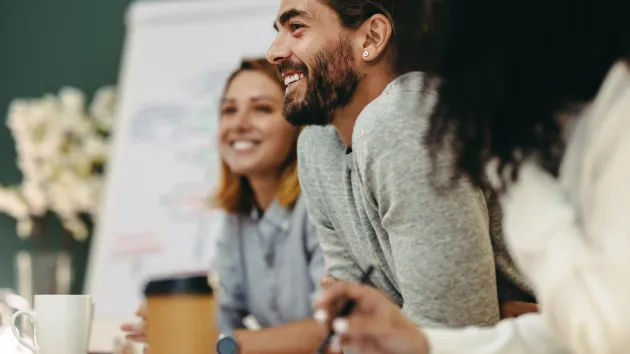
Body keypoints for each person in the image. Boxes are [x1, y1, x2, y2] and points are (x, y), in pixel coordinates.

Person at [313, 0, 630, 353]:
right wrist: (424, 343)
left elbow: (607, 330)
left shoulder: (614, 116)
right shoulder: (557, 123)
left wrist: (516, 171)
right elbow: (579, 331)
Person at [267, 0, 533, 332]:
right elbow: (357, 326)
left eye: (297, 28)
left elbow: (455, 332)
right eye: (278, 32)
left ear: (371, 38)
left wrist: (397, 323)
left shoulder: (404, 117)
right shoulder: (317, 147)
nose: (274, 52)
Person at [121, 58, 328, 354]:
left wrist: (220, 344)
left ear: (298, 125)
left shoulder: (320, 203)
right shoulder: (240, 217)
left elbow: (332, 328)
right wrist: (179, 322)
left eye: (262, 108)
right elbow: (223, 313)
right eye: (229, 110)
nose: (239, 124)